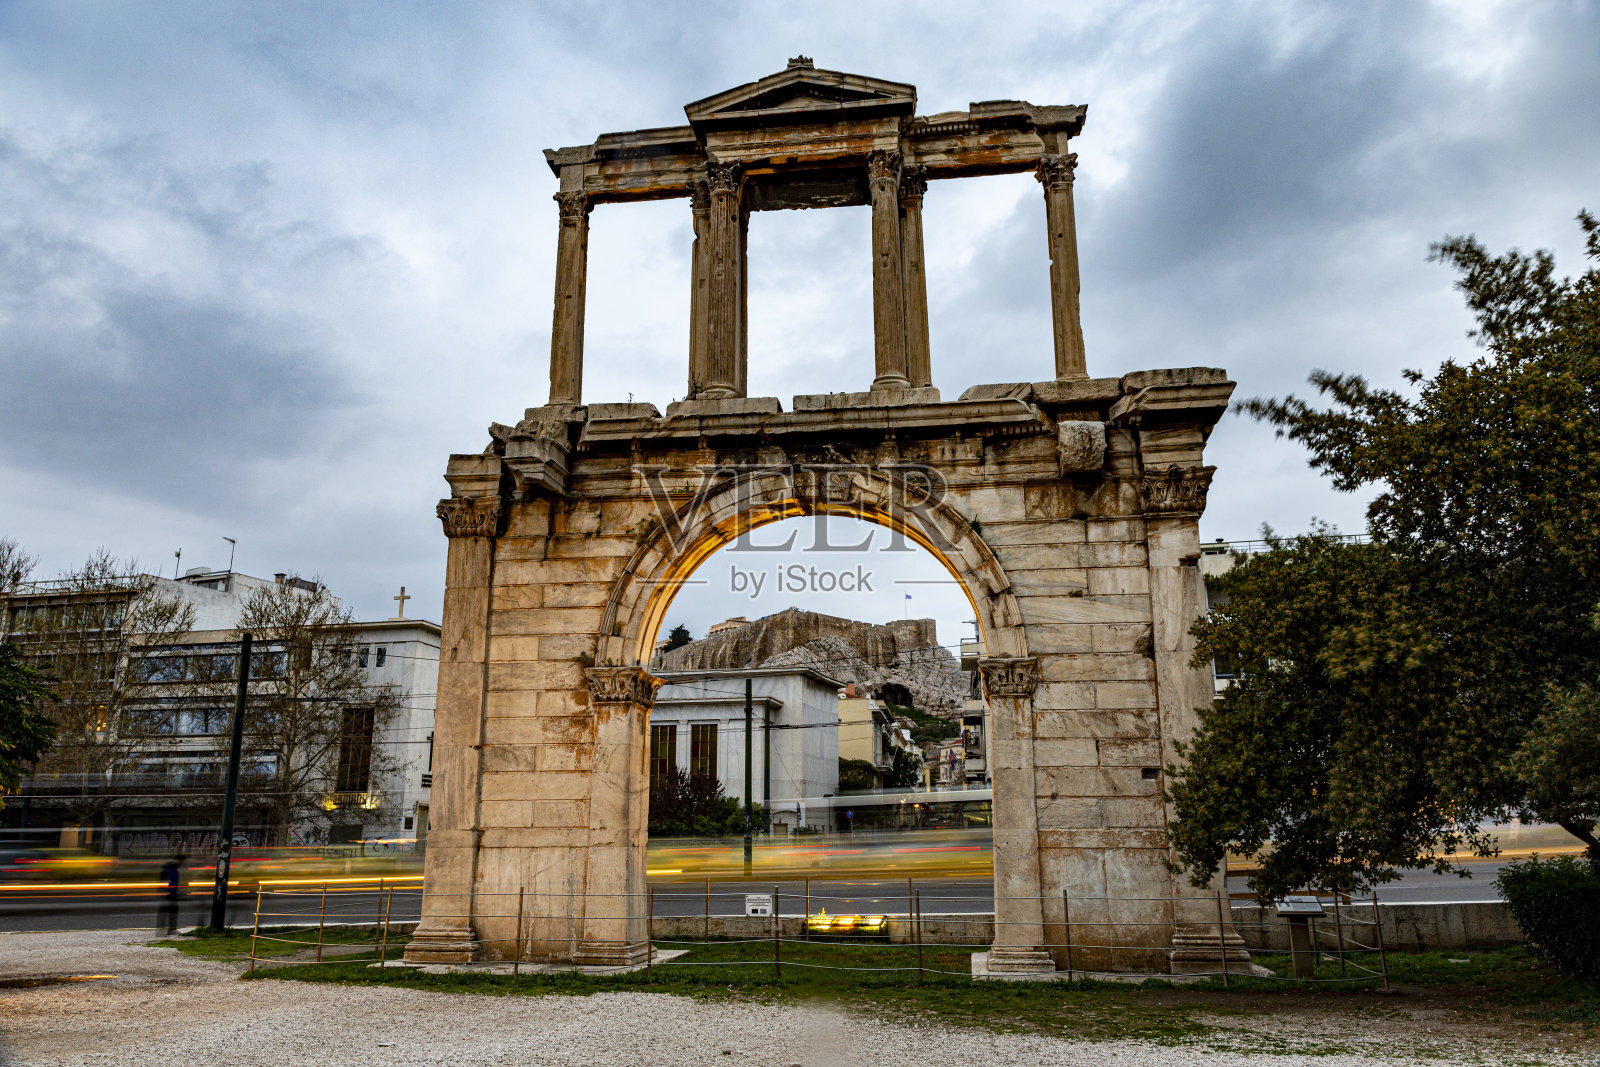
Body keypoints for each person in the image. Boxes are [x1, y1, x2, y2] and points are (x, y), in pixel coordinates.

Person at [157, 854, 186, 934]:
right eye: (181, 861)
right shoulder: (171, 869)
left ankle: (163, 931)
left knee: (166, 912)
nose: (182, 862)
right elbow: (167, 882)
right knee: (171, 912)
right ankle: (170, 930)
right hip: (169, 894)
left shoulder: (171, 868)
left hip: (170, 894)